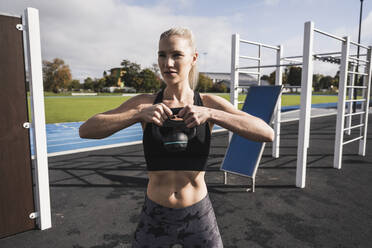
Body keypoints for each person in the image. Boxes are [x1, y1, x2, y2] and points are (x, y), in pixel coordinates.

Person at [79, 27, 274, 248]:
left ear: (193, 58)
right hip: (155, 215)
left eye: (176, 55)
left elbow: (266, 132)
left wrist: (212, 114)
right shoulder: (145, 103)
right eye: (162, 55)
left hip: (198, 216)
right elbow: (86, 130)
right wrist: (136, 114)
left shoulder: (208, 103)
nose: (167, 63)